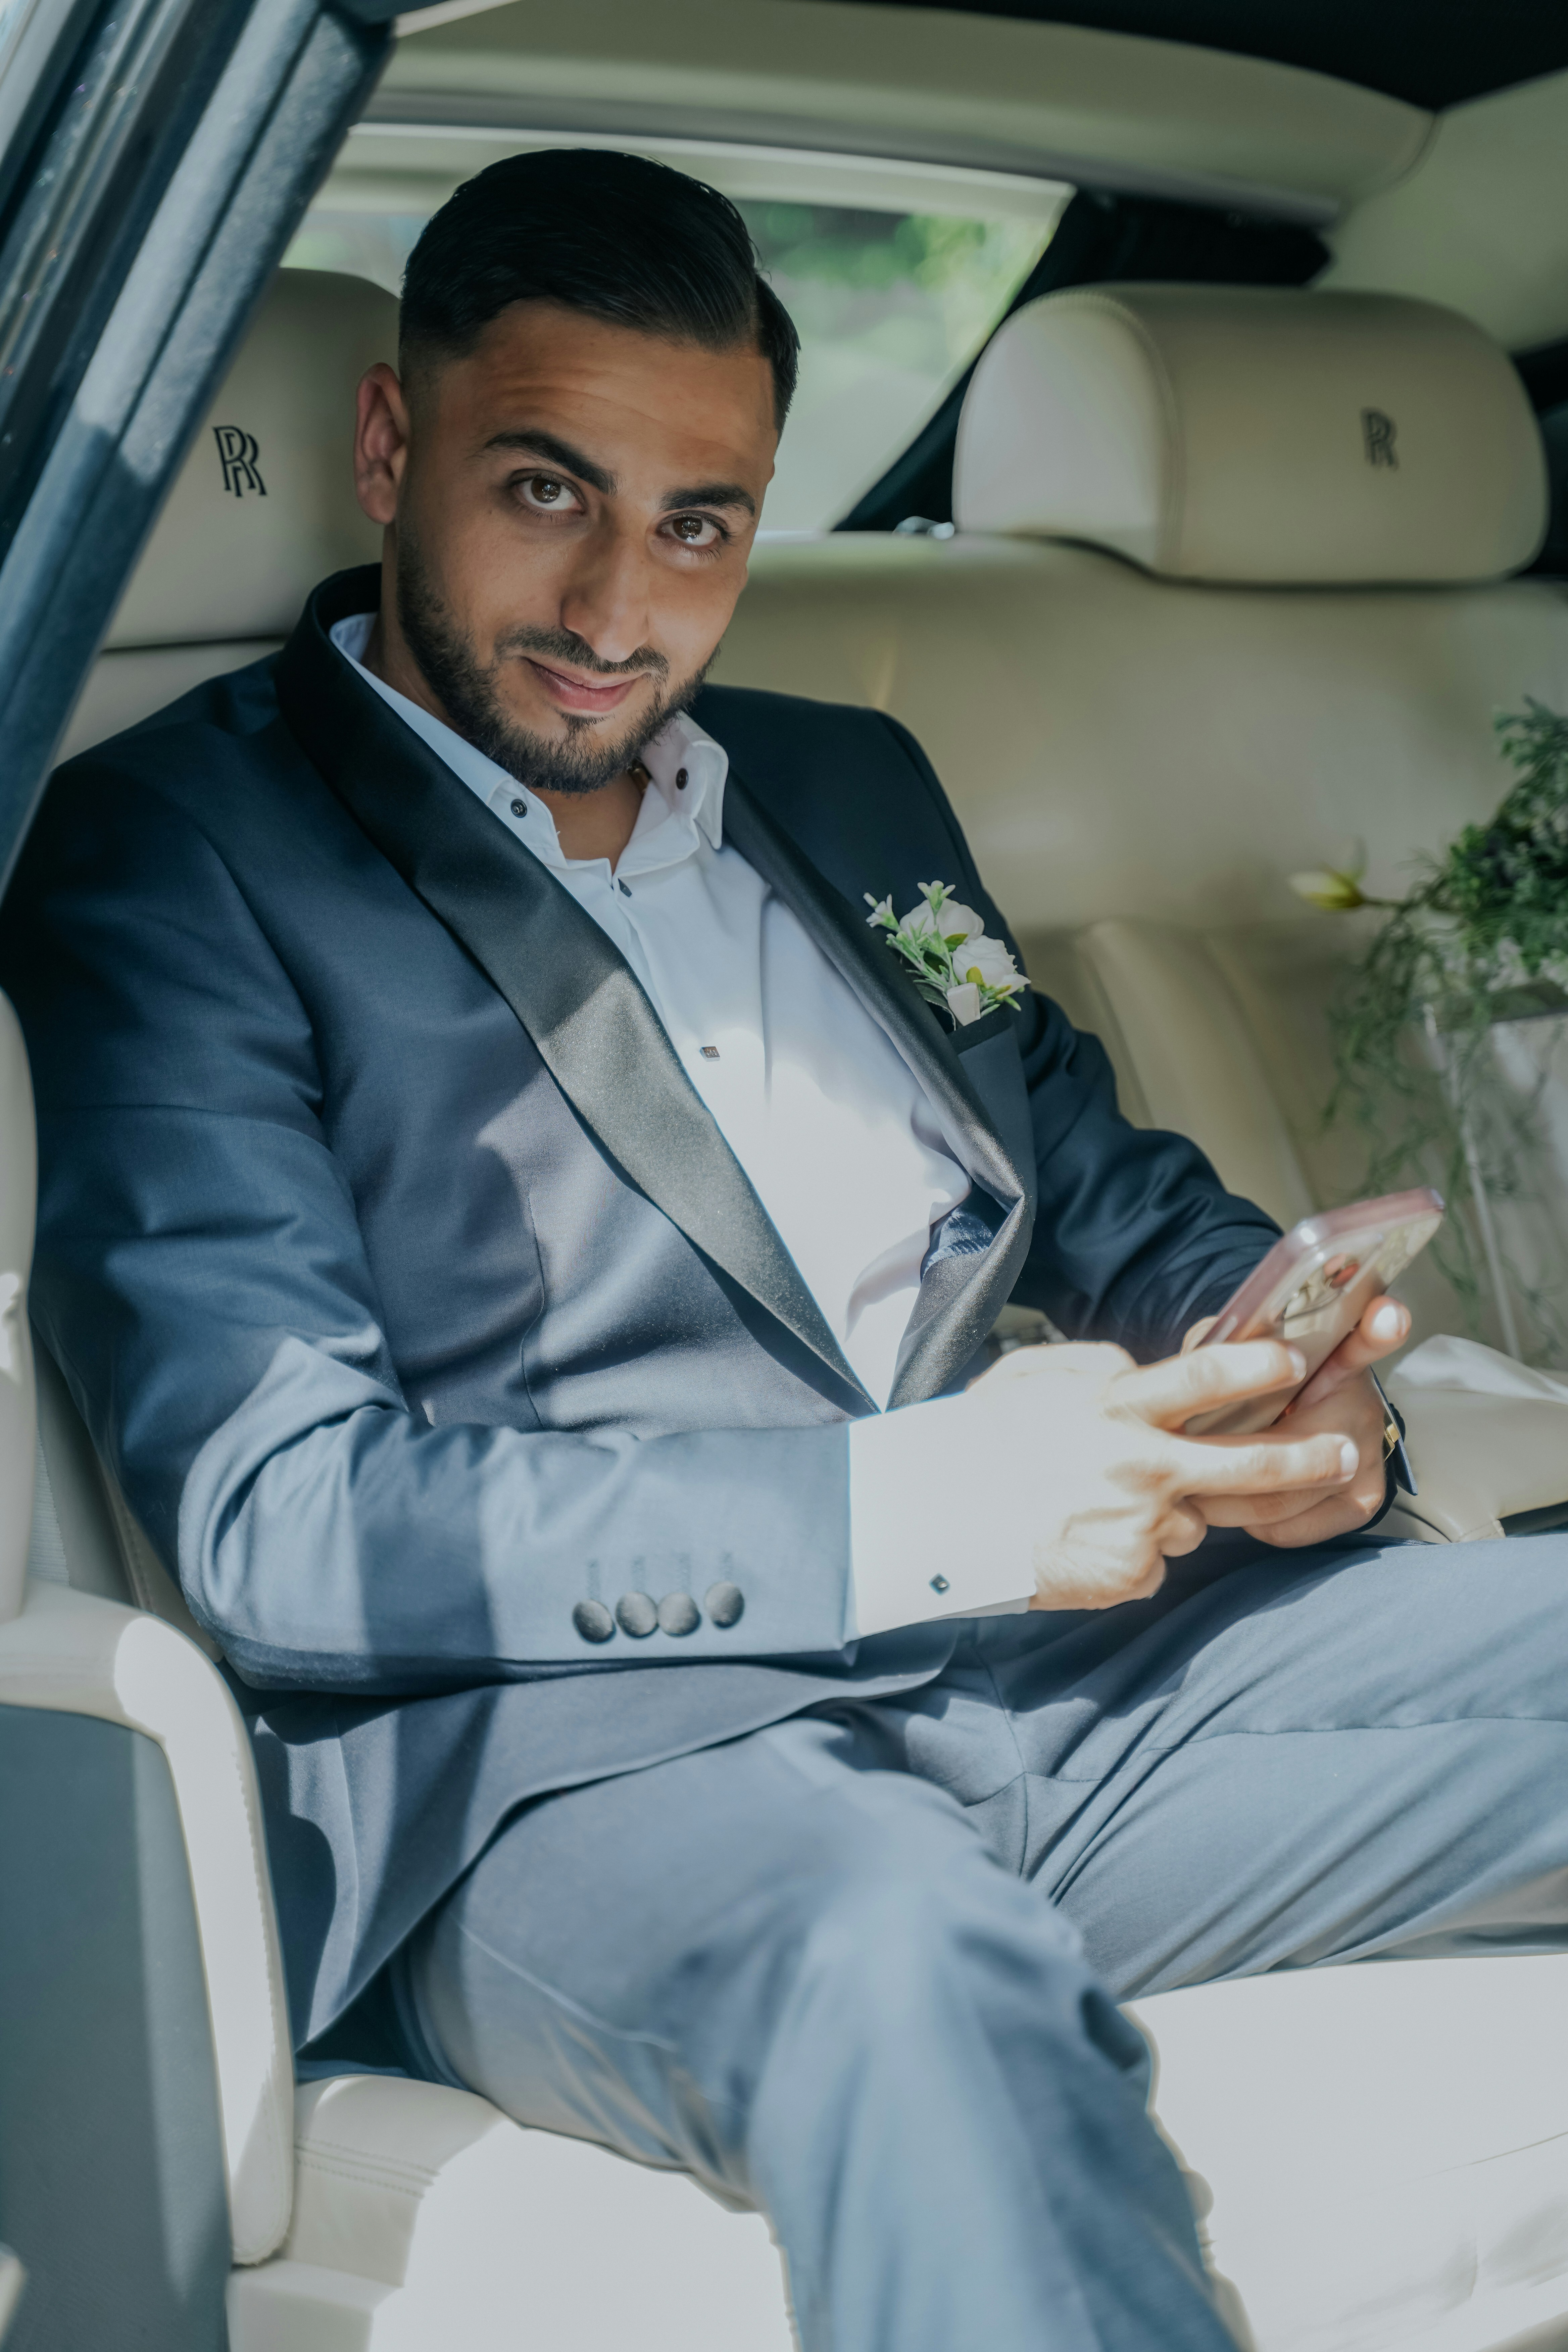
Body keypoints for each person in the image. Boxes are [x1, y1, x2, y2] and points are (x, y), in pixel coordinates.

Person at [8, 149, 1568, 2352]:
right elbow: (285, 1518)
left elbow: (1105, 1191)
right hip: (593, 1775)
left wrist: (1282, 1361)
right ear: (391, 441)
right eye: (543, 489)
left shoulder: (852, 791)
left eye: (699, 525)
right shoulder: (177, 851)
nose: (617, 603)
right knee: (917, 1980)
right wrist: (934, 1503)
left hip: (1087, 1671)